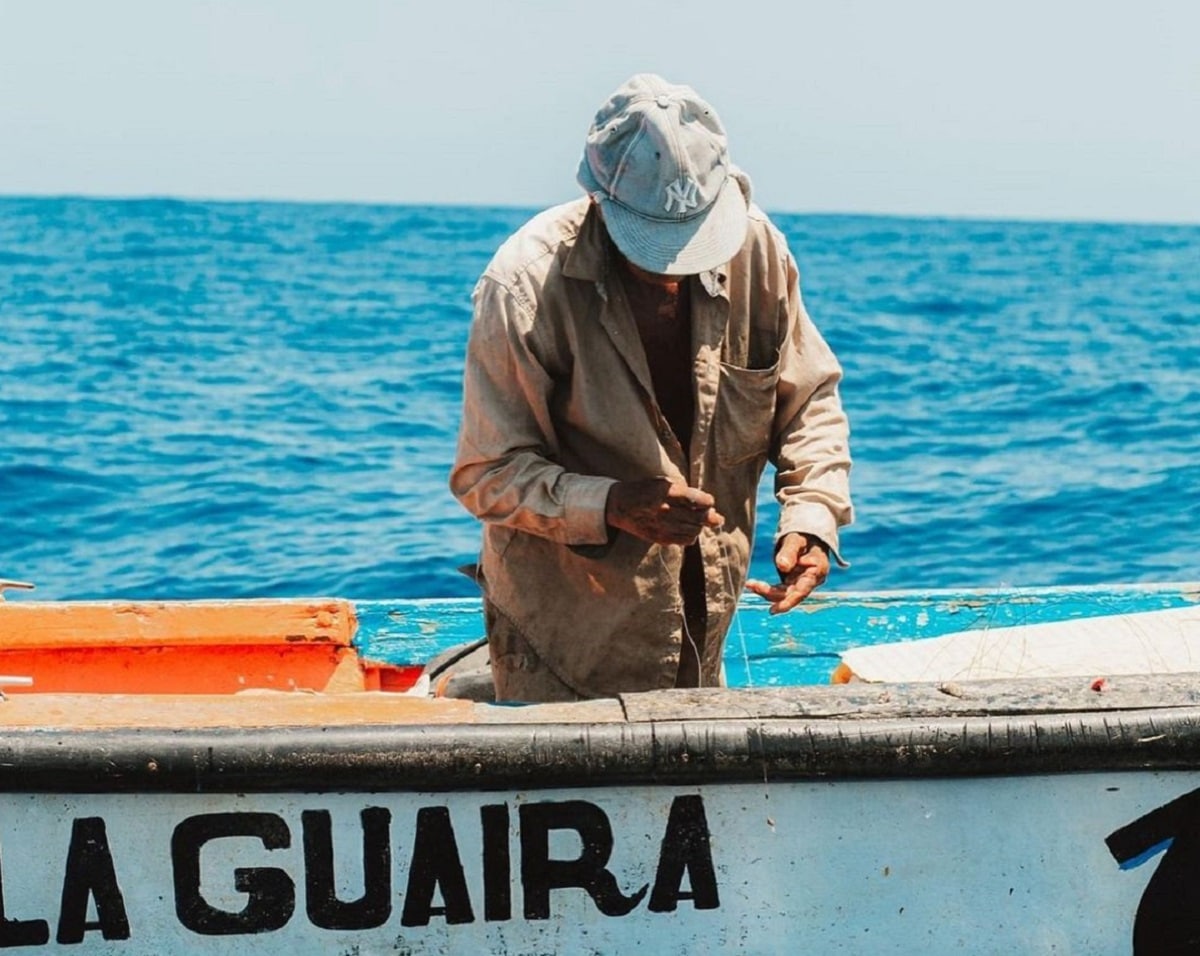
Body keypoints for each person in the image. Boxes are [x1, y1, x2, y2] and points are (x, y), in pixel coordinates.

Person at [450, 73, 853, 702]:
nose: (677, 266)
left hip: (707, 629)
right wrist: (611, 504)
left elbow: (808, 403)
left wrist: (812, 516)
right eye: (656, 245)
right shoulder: (522, 284)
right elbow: (488, 473)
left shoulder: (761, 251)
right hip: (563, 647)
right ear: (600, 203)